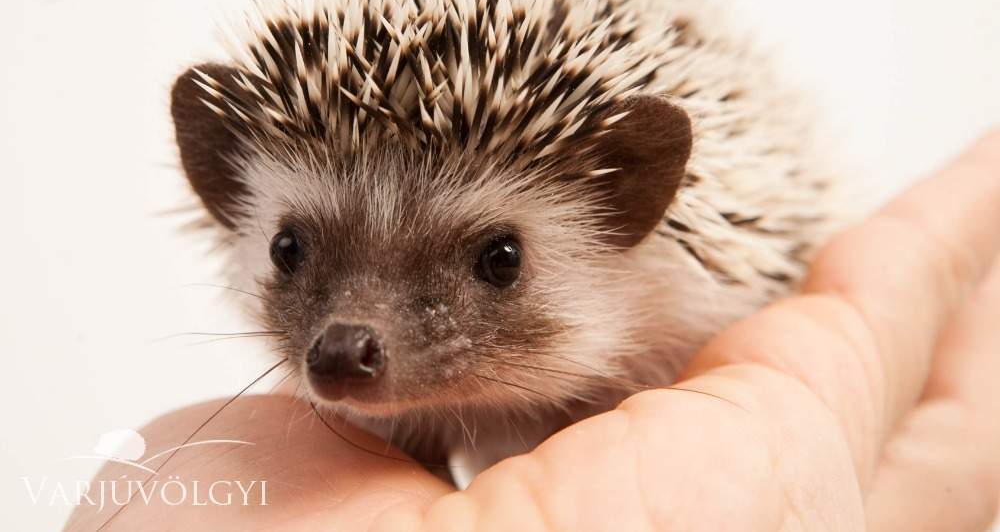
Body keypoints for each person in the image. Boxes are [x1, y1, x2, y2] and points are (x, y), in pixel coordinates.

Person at [68, 130, 1000, 531]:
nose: (349, 336)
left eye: (495, 261)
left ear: (633, 209)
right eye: (298, 250)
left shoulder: (706, 322)